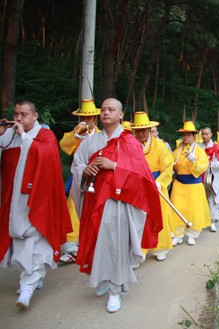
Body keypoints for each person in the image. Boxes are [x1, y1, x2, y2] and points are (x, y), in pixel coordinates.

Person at [72, 98, 163, 313]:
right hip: (94, 200)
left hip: (118, 202)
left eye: (111, 110)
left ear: (121, 115)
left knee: (116, 246)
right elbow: (77, 164)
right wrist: (85, 170)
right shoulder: (90, 142)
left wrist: (114, 166)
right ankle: (102, 277)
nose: (106, 113)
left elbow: (141, 176)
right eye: (103, 110)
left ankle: (115, 290)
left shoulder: (129, 142)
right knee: (96, 242)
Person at [0, 100, 72, 309]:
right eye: (16, 114)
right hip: (13, 202)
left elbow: (46, 155)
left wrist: (24, 137)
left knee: (38, 244)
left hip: (38, 201)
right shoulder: (9, 135)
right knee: (20, 244)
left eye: (24, 114)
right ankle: (31, 280)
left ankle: (27, 289)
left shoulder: (45, 136)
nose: (19, 118)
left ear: (35, 116)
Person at [59, 99, 101, 263]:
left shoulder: (100, 135)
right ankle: (72, 247)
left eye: (88, 118)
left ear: (95, 119)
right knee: (72, 206)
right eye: (82, 117)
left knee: (94, 209)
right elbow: (64, 145)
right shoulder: (76, 132)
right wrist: (76, 136)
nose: (85, 121)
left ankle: (94, 243)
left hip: (95, 175)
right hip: (78, 175)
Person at [131, 112, 174, 263]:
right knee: (139, 218)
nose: (141, 133)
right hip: (138, 188)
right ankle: (139, 250)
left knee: (159, 216)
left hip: (156, 186)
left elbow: (168, 167)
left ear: (150, 130)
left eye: (144, 130)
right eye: (138, 130)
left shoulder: (159, 145)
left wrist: (160, 182)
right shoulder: (131, 144)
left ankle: (160, 248)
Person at [170, 121, 211, 245]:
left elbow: (204, 166)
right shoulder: (177, 151)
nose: (186, 137)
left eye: (189, 134)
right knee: (177, 208)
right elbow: (170, 164)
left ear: (194, 136)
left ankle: (192, 233)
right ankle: (178, 233)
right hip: (179, 184)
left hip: (194, 185)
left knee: (194, 209)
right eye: (184, 135)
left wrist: (194, 161)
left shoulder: (199, 151)